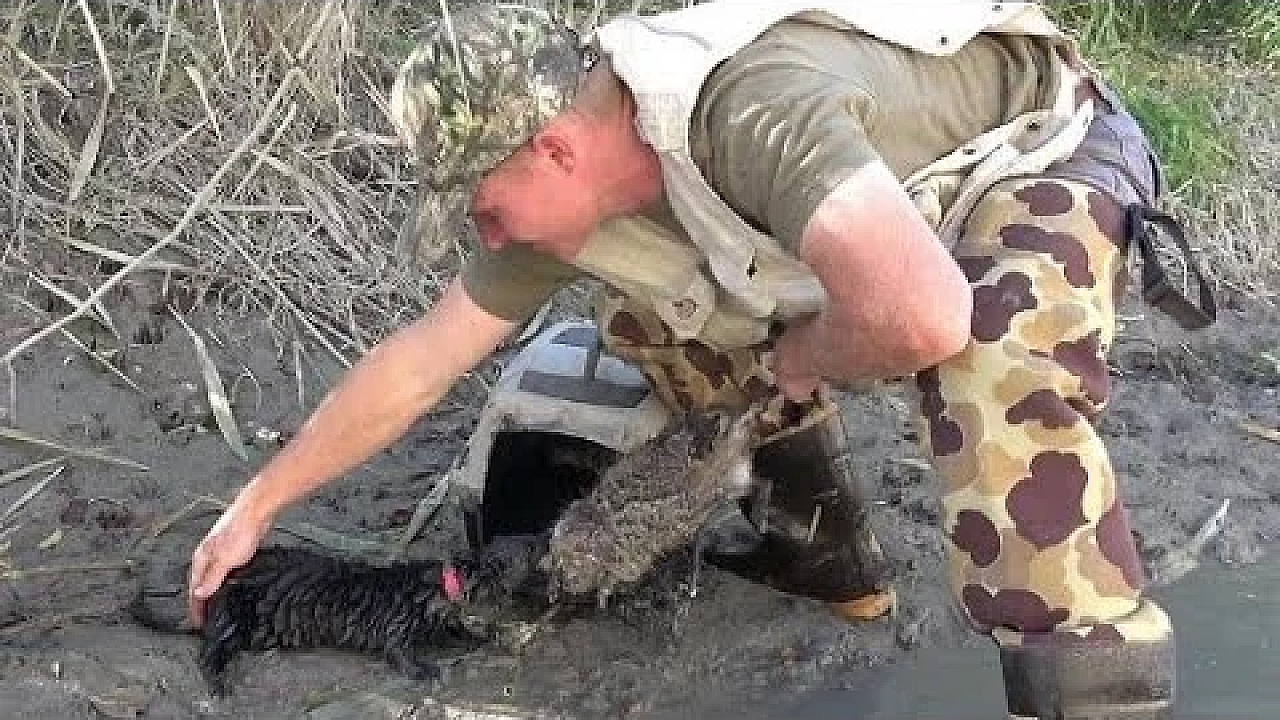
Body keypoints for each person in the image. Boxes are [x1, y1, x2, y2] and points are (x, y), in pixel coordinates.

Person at [189, 2, 1216, 717]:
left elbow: (921, 316)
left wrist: (808, 351)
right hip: (864, 216)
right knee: (653, 318)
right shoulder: (568, 194)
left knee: (988, 376)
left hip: (1031, 153)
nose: (485, 236)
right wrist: (257, 506)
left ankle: (1092, 690)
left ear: (552, 147)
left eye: (483, 208)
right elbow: (422, 359)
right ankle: (821, 560)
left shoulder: (745, 110)